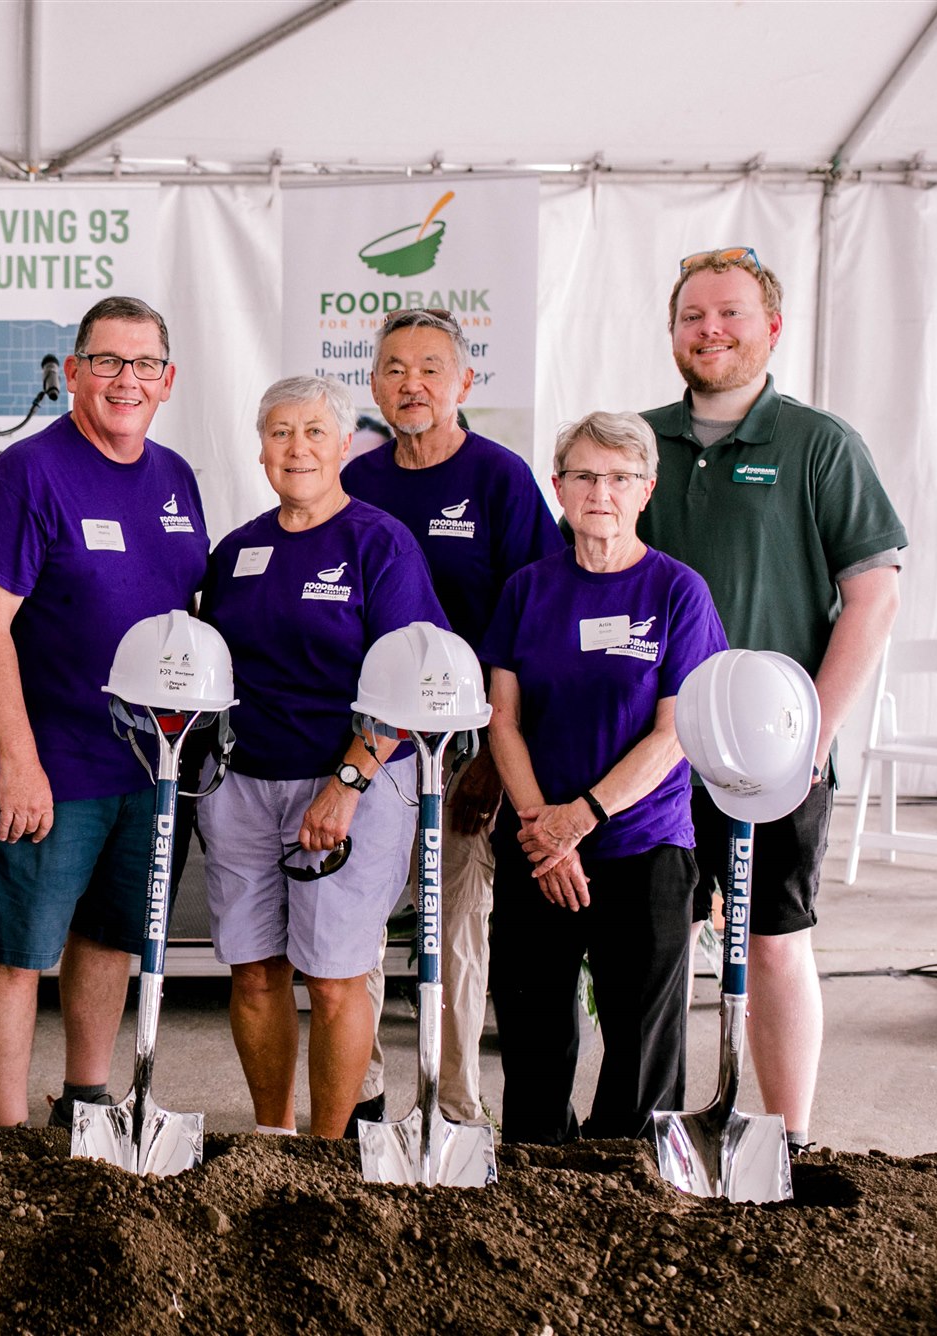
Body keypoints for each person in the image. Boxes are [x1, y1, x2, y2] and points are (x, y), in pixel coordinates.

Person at [638, 248, 904, 1155]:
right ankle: (655, 1129)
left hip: (775, 750)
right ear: (672, 331)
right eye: (692, 316)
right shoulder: (636, 446)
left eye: (731, 314)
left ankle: (786, 1139)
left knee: (774, 940)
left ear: (771, 327)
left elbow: (873, 594)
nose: (710, 330)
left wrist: (812, 738)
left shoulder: (818, 444)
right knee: (654, 950)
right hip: (654, 752)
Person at [0, 295, 209, 1129]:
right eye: (105, 361)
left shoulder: (176, 478)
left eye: (143, 365)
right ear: (72, 374)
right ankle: (7, 1130)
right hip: (50, 768)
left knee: (110, 939)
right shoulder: (30, 472)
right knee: (17, 951)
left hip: (146, 769)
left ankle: (87, 1102)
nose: (123, 380)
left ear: (167, 381)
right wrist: (17, 762)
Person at [196, 376, 445, 1137]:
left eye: (312, 432)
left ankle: (327, 1152)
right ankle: (274, 1135)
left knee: (335, 980)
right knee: (255, 971)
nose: (295, 447)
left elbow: (407, 683)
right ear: (261, 450)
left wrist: (344, 786)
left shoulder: (380, 544)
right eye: (279, 432)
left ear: (344, 445)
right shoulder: (237, 551)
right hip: (243, 785)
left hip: (350, 788)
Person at [343, 306, 563, 1126]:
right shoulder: (356, 480)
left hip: (467, 752)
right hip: (368, 747)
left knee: (457, 934)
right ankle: (358, 1096)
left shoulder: (500, 480)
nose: (412, 383)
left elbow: (533, 628)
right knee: (353, 924)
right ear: (373, 385)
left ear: (464, 381)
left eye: (431, 367)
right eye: (395, 368)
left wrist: (492, 765)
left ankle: (457, 1109)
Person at [481, 411, 727, 1143]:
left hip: (644, 849)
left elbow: (675, 732)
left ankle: (629, 1183)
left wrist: (579, 820)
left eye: (620, 477)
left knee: (643, 1050)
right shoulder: (527, 590)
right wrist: (543, 834)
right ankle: (535, 1181)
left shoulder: (679, 593)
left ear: (647, 489)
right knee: (533, 1037)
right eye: (585, 475)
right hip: (537, 845)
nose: (601, 491)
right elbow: (503, 720)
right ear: (558, 486)